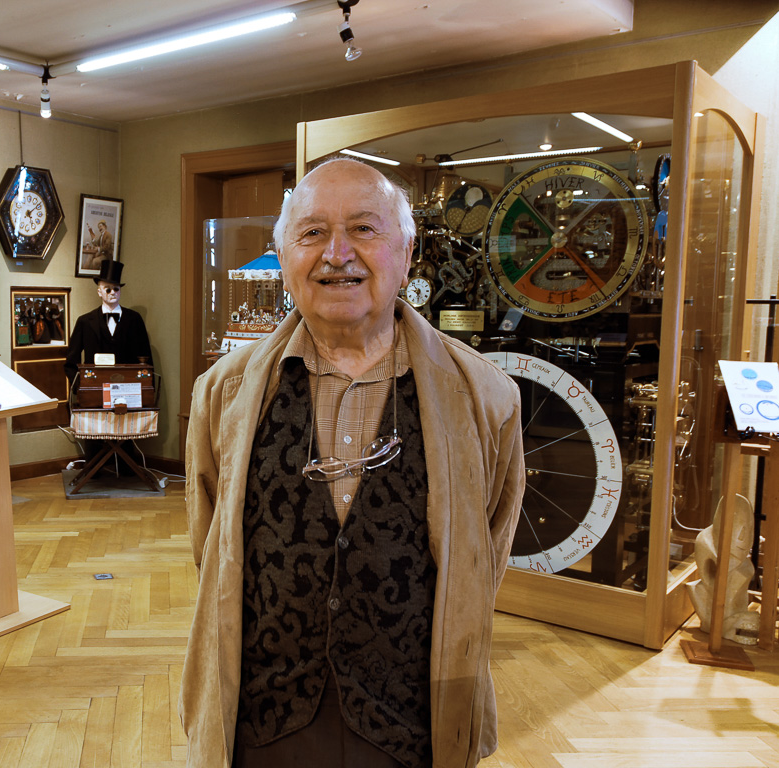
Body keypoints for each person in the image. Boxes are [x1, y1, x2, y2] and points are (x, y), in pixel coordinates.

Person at [180, 158, 525, 768]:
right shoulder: (222, 394)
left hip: (411, 728)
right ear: (284, 256)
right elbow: (212, 546)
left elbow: (485, 552)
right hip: (261, 724)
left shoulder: (485, 397)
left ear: (409, 251)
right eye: (312, 233)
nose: (337, 253)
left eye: (364, 229)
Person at [63, 260, 152, 384]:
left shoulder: (134, 319)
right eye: (108, 289)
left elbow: (146, 356)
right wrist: (80, 386)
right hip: (95, 387)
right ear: (99, 292)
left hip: (128, 386)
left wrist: (145, 386)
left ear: (120, 291)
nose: (113, 293)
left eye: (116, 289)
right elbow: (71, 360)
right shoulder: (85, 321)